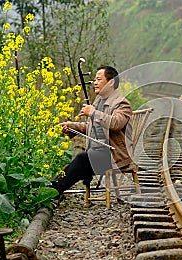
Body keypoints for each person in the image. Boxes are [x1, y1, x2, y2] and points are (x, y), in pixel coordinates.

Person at [50, 65, 133, 194]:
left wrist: (93, 113)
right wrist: (71, 126)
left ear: (111, 82)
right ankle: (51, 189)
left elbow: (116, 123)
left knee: (82, 160)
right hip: (100, 153)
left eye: (99, 79)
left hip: (115, 157)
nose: (95, 82)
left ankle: (52, 190)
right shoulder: (100, 100)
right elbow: (92, 126)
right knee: (83, 160)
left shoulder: (121, 103)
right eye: (95, 79)